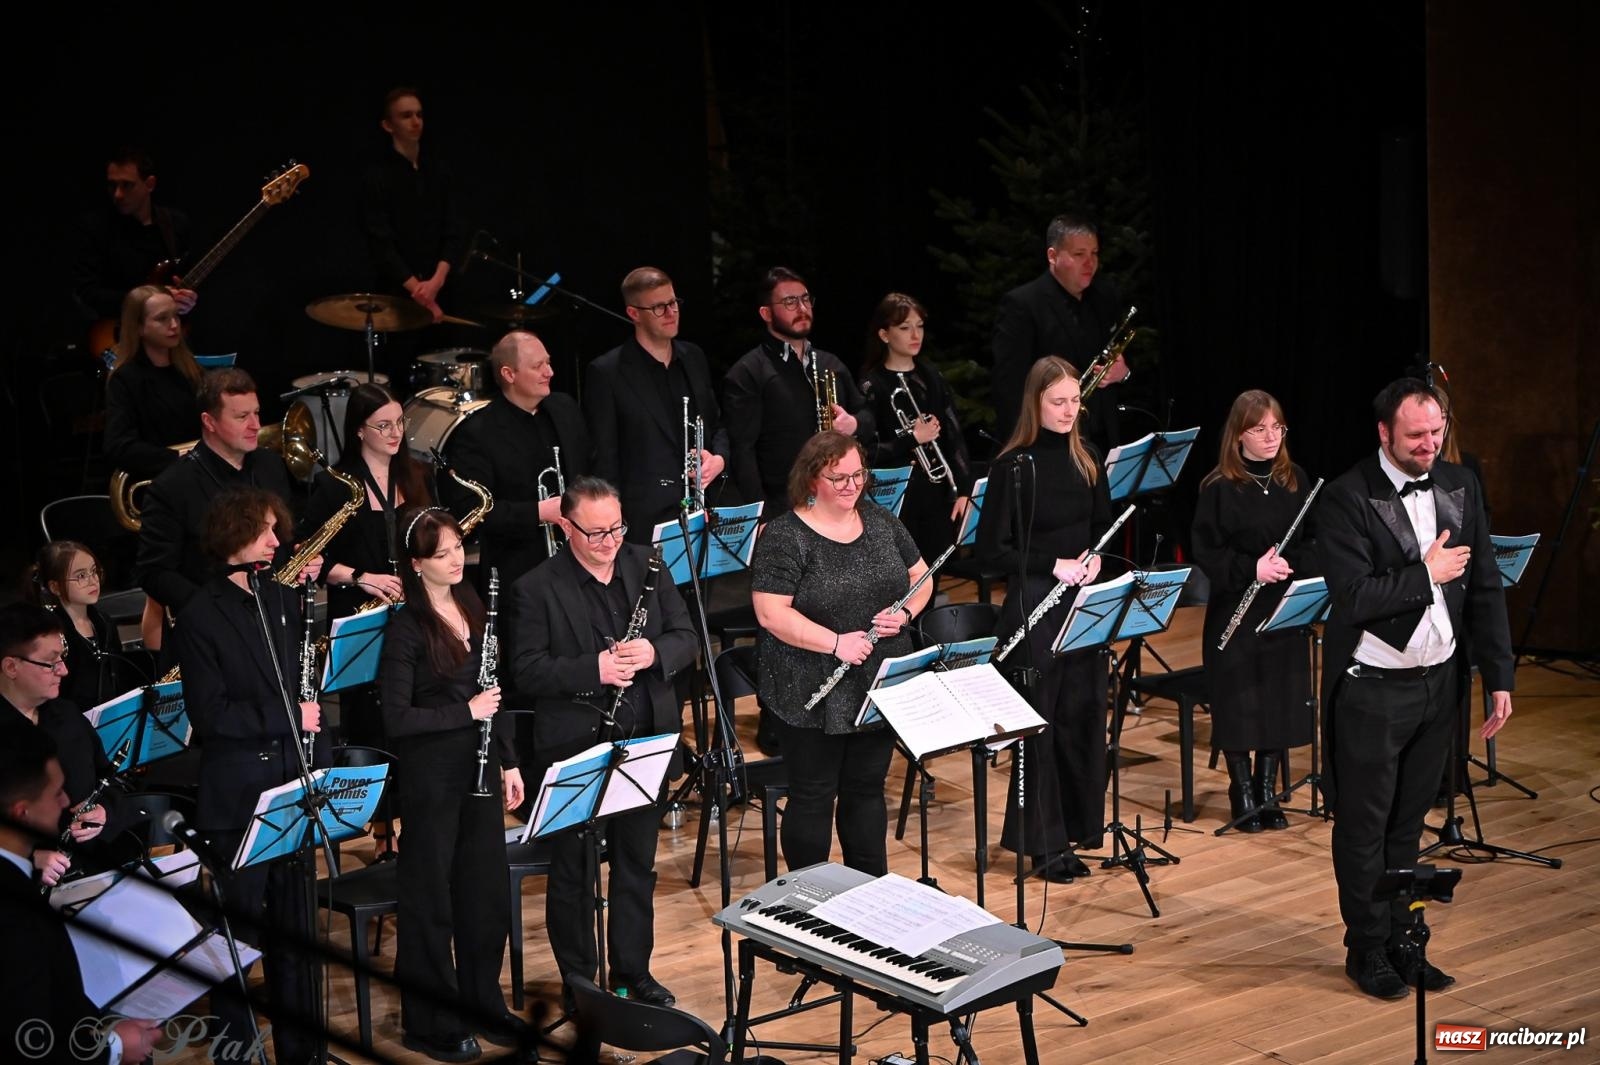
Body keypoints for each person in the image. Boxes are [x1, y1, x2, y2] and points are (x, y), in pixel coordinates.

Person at [1319, 377, 1513, 1000]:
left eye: (1436, 432)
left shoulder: (1461, 483)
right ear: (1384, 434)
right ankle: (1366, 948)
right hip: (1373, 690)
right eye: (1416, 436)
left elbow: (1484, 582)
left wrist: (1499, 675)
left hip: (1440, 684)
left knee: (1410, 824)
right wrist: (1422, 574)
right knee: (1364, 826)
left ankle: (1405, 940)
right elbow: (1352, 599)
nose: (1430, 444)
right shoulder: (1347, 498)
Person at [509, 477, 696, 1008]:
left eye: (616, 527)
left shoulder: (649, 565)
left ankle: (634, 972)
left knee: (637, 864)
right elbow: (525, 672)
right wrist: (592, 669)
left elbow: (685, 635)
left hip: (646, 741)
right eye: (595, 533)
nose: (610, 541)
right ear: (567, 527)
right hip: (575, 749)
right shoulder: (537, 587)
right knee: (575, 870)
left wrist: (653, 655)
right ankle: (582, 981)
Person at [172, 487, 326, 1063]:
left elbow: (304, 689)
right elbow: (209, 716)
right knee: (240, 938)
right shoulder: (199, 613)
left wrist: (316, 752)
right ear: (235, 535)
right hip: (238, 793)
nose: (276, 540)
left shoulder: (281, 600)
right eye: (265, 530)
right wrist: (286, 718)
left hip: (291, 783)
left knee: (295, 935)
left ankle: (301, 1051)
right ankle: (236, 1049)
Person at [379, 506, 528, 1061]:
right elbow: (397, 719)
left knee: (483, 894)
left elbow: (497, 697)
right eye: (441, 554)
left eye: (459, 546)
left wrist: (509, 761)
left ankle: (482, 1002)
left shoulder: (473, 605)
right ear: (417, 565)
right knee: (430, 899)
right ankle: (429, 1020)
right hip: (433, 778)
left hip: (481, 771)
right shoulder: (405, 627)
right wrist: (464, 712)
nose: (456, 559)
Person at [750, 431, 932, 876]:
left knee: (866, 789)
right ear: (812, 480)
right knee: (814, 793)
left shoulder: (881, 519)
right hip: (810, 684)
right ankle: (809, 899)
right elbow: (771, 613)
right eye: (839, 478)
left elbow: (922, 576)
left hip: (876, 679)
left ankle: (869, 894)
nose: (851, 486)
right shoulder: (784, 536)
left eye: (858, 475)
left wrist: (905, 614)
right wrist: (836, 643)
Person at [977, 356, 1112, 880]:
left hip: (1082, 606)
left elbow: (1100, 525)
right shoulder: (1013, 466)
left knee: (1081, 722)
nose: (1068, 411)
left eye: (1075, 401)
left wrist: (1097, 557)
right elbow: (991, 551)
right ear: (1036, 403)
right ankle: (1043, 844)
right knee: (1042, 728)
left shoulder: (1088, 458)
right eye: (1058, 402)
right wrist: (1049, 564)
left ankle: (1075, 833)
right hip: (1035, 607)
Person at [1191, 390, 1319, 832]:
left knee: (1279, 696)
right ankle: (1242, 790)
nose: (1270, 437)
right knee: (1241, 699)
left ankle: (1268, 789)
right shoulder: (1219, 487)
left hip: (1283, 605)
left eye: (1277, 428)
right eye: (1259, 429)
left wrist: (1288, 564)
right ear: (1239, 434)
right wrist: (1251, 568)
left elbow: (1311, 541)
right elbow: (1207, 551)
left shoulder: (1294, 479)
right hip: (1236, 609)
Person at [0, 728, 161, 1065]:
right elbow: (31, 1038)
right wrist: (115, 1048)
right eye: (56, 792)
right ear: (22, 813)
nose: (64, 802)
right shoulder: (17, 915)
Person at [135, 367, 312, 660]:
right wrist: (212, 607)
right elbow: (153, 572)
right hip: (214, 634)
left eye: (256, 413)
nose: (256, 425)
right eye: (242, 417)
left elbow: (284, 538)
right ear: (209, 421)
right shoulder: (172, 486)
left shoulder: (271, 466)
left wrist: (301, 559)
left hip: (276, 619)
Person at [586, 266, 731, 540]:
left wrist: (719, 459)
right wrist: (613, 524)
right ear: (633, 314)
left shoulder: (694, 357)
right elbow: (604, 459)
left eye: (674, 303)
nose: (671, 312)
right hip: (642, 524)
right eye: (659, 307)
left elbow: (716, 423)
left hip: (701, 511)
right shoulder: (607, 372)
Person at [724, 267, 876, 518]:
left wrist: (854, 424)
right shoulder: (748, 372)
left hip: (840, 505)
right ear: (766, 313)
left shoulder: (831, 364)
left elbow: (869, 415)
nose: (802, 308)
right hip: (785, 509)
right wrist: (760, 517)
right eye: (789, 302)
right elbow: (743, 452)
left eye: (805, 299)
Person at [446, 330, 591, 590]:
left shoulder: (565, 408)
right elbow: (472, 512)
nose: (550, 372)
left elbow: (589, 470)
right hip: (520, 572)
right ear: (509, 374)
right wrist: (538, 512)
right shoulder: (477, 433)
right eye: (538, 366)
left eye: (548, 362)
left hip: (580, 560)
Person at [0, 605, 115, 890]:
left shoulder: (68, 715)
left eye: (63, 658)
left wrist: (104, 811)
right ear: (11, 667)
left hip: (94, 870)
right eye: (51, 663)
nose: (64, 670)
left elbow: (109, 778)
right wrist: (28, 855)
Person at [991, 213, 1131, 448]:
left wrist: (1122, 372)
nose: (1090, 263)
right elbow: (1010, 387)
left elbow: (1120, 360)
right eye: (1079, 254)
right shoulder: (1023, 304)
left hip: (1103, 439)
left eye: (1094, 253)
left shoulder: (1104, 297)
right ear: (1052, 256)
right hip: (1053, 443)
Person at [858, 292, 974, 563]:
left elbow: (954, 437)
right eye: (904, 327)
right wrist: (913, 437)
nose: (915, 334)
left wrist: (964, 490)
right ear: (884, 335)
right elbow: (867, 451)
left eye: (919, 326)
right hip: (898, 502)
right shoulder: (872, 386)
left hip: (937, 497)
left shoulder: (932, 377)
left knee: (934, 575)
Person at [363, 86, 467, 325]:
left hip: (442, 289)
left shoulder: (439, 170)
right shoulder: (377, 176)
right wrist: (419, 291)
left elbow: (453, 231)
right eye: (406, 115)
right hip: (398, 292)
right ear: (388, 125)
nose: (415, 121)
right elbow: (380, 243)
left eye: (419, 114)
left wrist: (437, 282)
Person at [71, 147, 198, 338]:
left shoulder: (175, 224)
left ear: (150, 184)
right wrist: (148, 300)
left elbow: (186, 281)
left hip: (167, 338)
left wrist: (187, 298)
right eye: (112, 186)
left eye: (127, 185)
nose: (118, 195)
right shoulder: (95, 228)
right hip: (117, 335)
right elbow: (87, 293)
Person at [104, 285, 204, 480]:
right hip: (164, 483)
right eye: (162, 319)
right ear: (139, 327)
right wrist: (178, 458)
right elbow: (118, 446)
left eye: (176, 316)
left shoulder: (191, 370)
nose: (174, 325)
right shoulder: (126, 379)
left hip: (199, 477)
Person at [23, 543, 127, 711]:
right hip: (71, 725)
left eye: (94, 571)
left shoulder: (105, 623)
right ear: (55, 587)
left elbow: (117, 678)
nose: (93, 580)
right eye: (81, 576)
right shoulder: (50, 633)